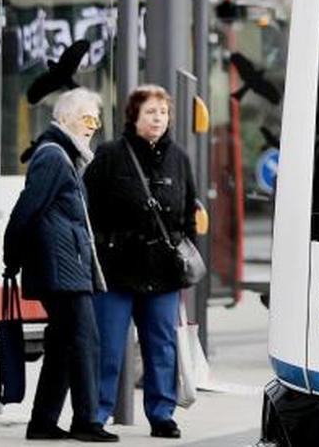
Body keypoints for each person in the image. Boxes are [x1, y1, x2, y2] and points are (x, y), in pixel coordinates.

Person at [3, 88, 118, 442]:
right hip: (60, 268)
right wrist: (11, 256)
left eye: (97, 119)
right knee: (85, 341)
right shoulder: (53, 156)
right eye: (87, 118)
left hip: (66, 265)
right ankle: (86, 421)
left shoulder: (65, 156)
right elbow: (27, 208)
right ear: (65, 117)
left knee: (63, 345)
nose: (93, 126)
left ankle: (42, 422)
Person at [85, 85, 199, 439]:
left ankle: (162, 414)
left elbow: (189, 214)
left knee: (162, 346)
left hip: (163, 271)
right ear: (134, 116)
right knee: (107, 346)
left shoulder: (179, 158)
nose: (158, 119)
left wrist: (184, 252)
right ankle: (96, 414)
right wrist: (102, 248)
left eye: (163, 112)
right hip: (116, 269)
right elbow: (87, 209)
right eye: (150, 112)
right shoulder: (109, 155)